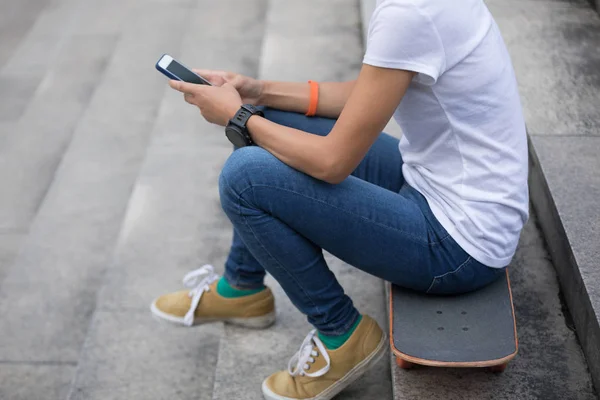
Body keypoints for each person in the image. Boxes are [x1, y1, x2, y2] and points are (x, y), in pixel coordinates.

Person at [150, 0, 529, 398]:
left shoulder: (409, 12)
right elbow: (366, 93)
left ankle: (341, 335)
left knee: (244, 177)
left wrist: (239, 118)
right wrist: (257, 93)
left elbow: (331, 163)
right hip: (437, 182)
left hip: (458, 244)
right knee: (268, 117)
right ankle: (242, 287)